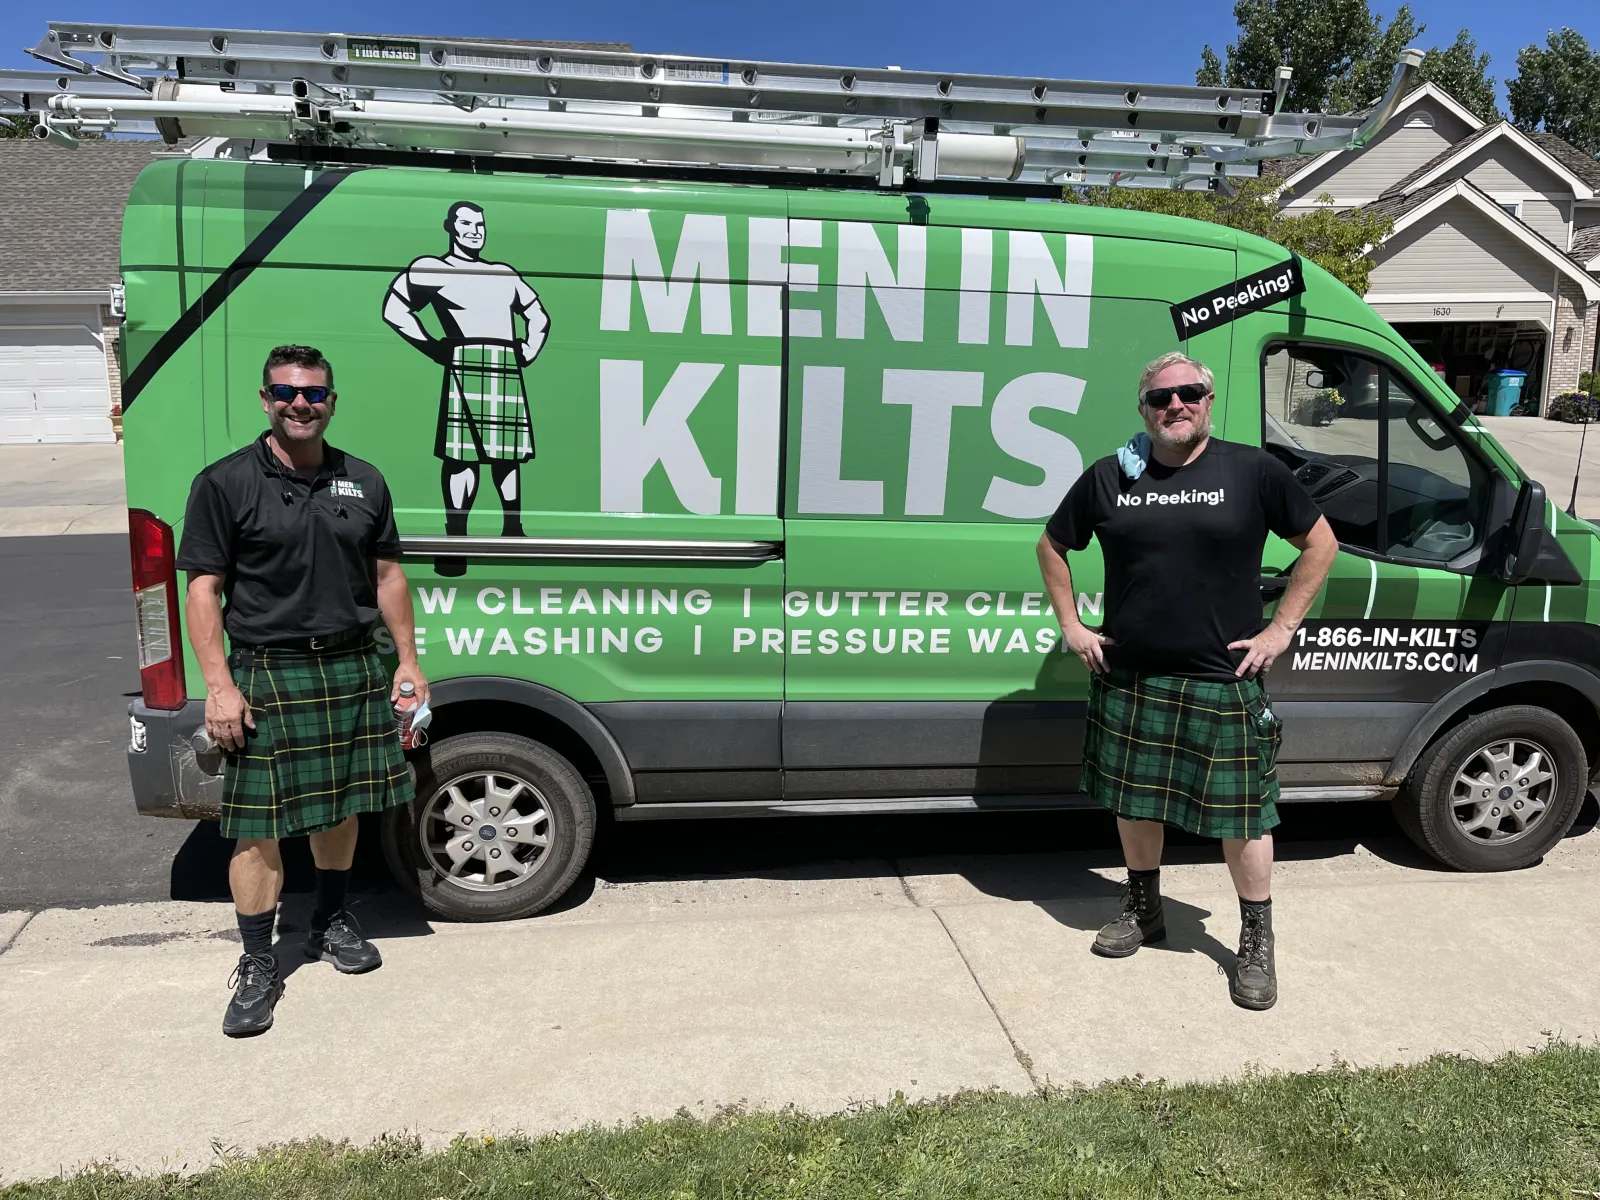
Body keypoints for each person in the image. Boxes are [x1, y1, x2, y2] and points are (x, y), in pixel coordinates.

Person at [1036, 350, 1337, 1010]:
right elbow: (1052, 545)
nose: (1176, 404)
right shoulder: (1113, 474)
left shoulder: (1252, 471)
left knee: (1245, 816)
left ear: (1208, 397)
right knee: (1136, 801)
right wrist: (1072, 623)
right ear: (1143, 408)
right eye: (1161, 397)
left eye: (1189, 392)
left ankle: (1256, 941)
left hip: (1221, 678)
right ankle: (1144, 909)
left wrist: (1281, 628)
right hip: (1132, 676)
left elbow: (1321, 544)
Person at [177, 344, 427, 1037]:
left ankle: (331, 920)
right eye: (287, 392)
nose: (300, 404)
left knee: (341, 809)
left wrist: (407, 660)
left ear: (331, 402)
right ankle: (258, 961)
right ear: (266, 399)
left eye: (314, 394)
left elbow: (387, 580)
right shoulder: (225, 483)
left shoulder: (364, 481)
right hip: (266, 672)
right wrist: (219, 686)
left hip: (349, 666)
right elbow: (203, 590)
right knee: (258, 830)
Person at [382, 200, 550, 576]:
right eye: (466, 223)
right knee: (462, 457)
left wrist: (527, 349)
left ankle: (513, 532)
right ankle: (456, 540)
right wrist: (433, 346)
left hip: (505, 359)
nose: (474, 230)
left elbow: (538, 314)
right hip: (464, 356)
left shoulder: (503, 273)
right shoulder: (433, 268)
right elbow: (395, 309)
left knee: (508, 455)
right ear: (450, 227)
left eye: (480, 224)